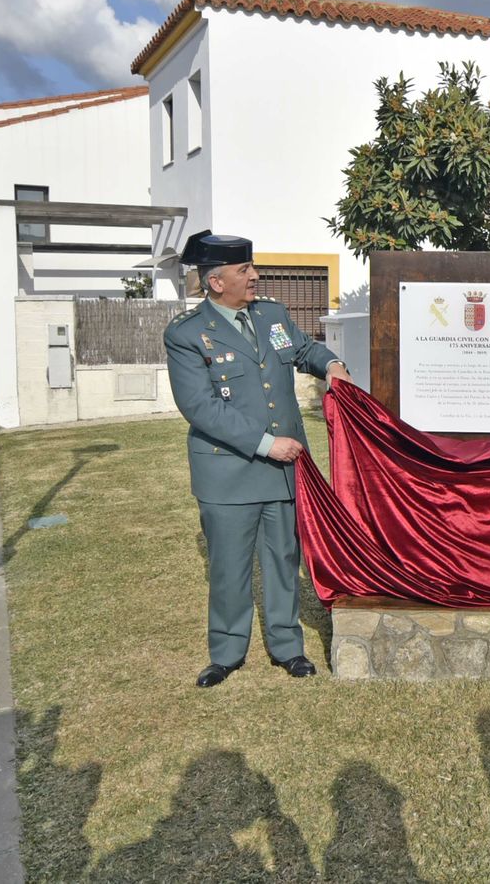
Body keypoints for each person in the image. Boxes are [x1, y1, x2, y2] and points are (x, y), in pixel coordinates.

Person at [164, 231, 352, 688]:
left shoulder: (271, 315)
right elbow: (201, 407)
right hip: (228, 472)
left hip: (282, 470)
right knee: (230, 568)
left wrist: (331, 365)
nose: (255, 275)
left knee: (283, 560)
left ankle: (288, 647)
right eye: (244, 270)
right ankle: (227, 652)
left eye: (252, 267)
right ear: (216, 282)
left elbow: (302, 350)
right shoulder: (187, 334)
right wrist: (267, 444)